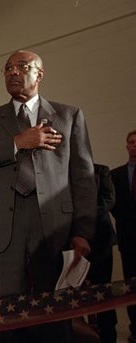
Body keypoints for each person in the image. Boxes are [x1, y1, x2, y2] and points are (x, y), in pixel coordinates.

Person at [0, 50, 97, 342]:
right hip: (4, 228)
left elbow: (83, 178)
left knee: (54, 311)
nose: (13, 72)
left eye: (22, 67)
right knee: (8, 313)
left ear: (39, 74)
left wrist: (83, 231)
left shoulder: (69, 115)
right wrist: (17, 142)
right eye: (8, 68)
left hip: (53, 227)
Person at [110, 129, 136, 343]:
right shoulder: (115, 174)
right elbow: (113, 204)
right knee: (131, 287)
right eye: (131, 142)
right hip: (128, 240)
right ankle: (134, 330)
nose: (134, 145)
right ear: (126, 146)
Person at [88, 163, 117, 342]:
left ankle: (108, 336)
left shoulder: (101, 170)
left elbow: (109, 199)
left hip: (100, 240)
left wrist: (83, 215)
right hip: (69, 242)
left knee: (103, 291)